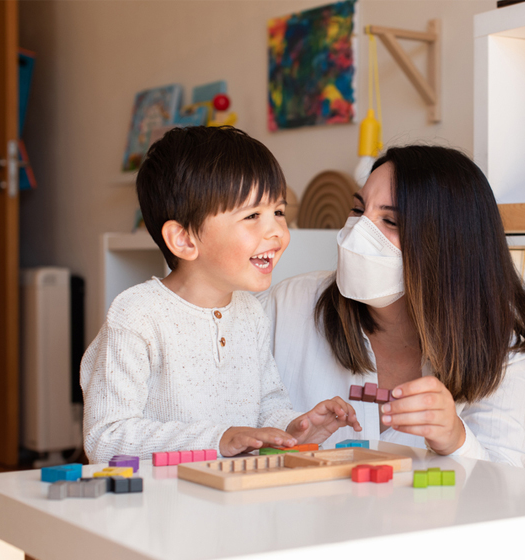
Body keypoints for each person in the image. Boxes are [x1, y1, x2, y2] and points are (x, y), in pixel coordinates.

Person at [81, 126, 360, 464]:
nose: (277, 231)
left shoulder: (250, 313)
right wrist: (220, 438)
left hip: (230, 502)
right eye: (253, 216)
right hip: (159, 508)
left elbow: (265, 406)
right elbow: (106, 438)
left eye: (279, 212)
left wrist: (294, 428)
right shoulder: (136, 315)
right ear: (184, 239)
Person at [259, 145, 525, 467]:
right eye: (358, 211)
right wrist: (283, 441)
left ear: (449, 245)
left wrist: (455, 438)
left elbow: (504, 487)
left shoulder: (500, 346)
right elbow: (225, 432)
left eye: (390, 221)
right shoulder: (288, 304)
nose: (357, 234)